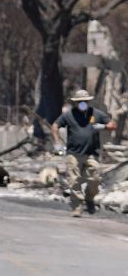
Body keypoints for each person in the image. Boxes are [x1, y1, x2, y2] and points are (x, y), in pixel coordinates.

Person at [51, 89, 116, 217]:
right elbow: (55, 126)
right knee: (74, 181)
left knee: (94, 179)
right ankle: (77, 207)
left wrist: (103, 127)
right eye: (79, 101)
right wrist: (57, 143)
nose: (82, 103)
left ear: (88, 102)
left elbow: (112, 124)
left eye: (85, 101)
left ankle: (89, 198)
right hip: (73, 154)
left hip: (92, 153)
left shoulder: (96, 114)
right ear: (75, 103)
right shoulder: (69, 115)